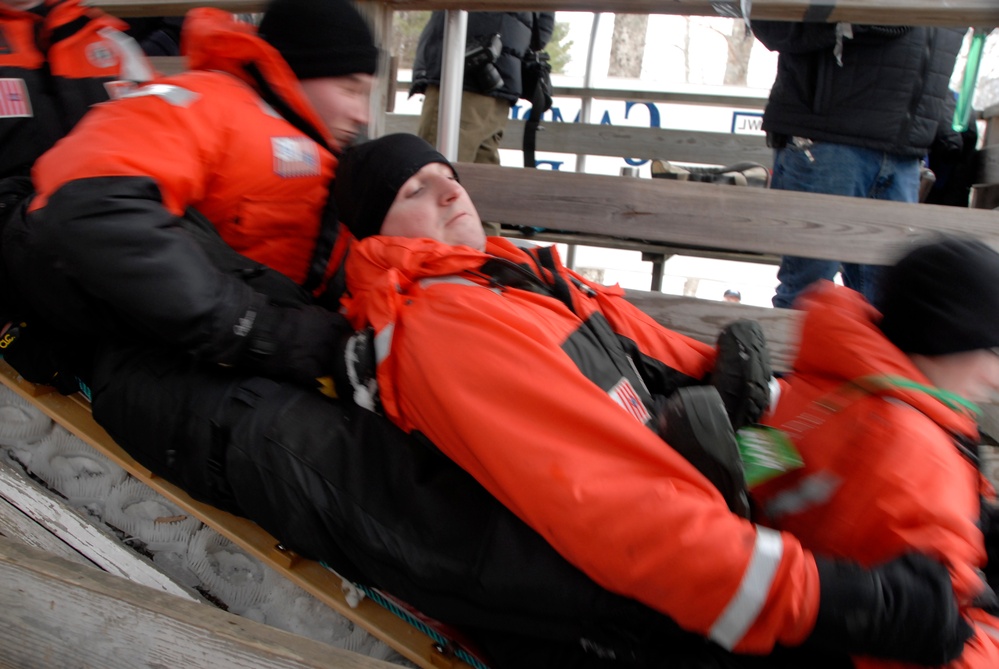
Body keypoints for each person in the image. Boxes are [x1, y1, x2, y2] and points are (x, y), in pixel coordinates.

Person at [332, 132, 973, 665]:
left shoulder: (517, 276)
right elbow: (613, 502)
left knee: (926, 545)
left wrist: (827, 449)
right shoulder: (441, 325)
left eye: (449, 176)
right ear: (372, 231)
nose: (449, 190)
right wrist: (836, 600)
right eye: (414, 189)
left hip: (701, 528)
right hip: (636, 605)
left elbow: (676, 367)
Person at [1, 0, 378, 390]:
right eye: (350, 88)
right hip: (165, 337)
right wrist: (258, 328)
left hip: (279, 333)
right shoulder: (205, 105)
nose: (363, 114)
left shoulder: (331, 152)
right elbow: (90, 203)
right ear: (300, 68)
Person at [753, 236, 999, 669]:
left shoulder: (839, 384)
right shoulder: (912, 448)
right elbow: (929, 629)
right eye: (993, 351)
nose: (997, 378)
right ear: (947, 336)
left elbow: (758, 468)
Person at [752, 20, 964, 309]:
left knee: (886, 303)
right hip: (828, 138)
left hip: (904, 150)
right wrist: (858, 18)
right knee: (808, 294)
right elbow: (768, 22)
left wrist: (939, 122)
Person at [410, 11, 554, 164]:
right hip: (503, 76)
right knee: (480, 180)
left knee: (435, 174)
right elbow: (544, 28)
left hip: (461, 73)